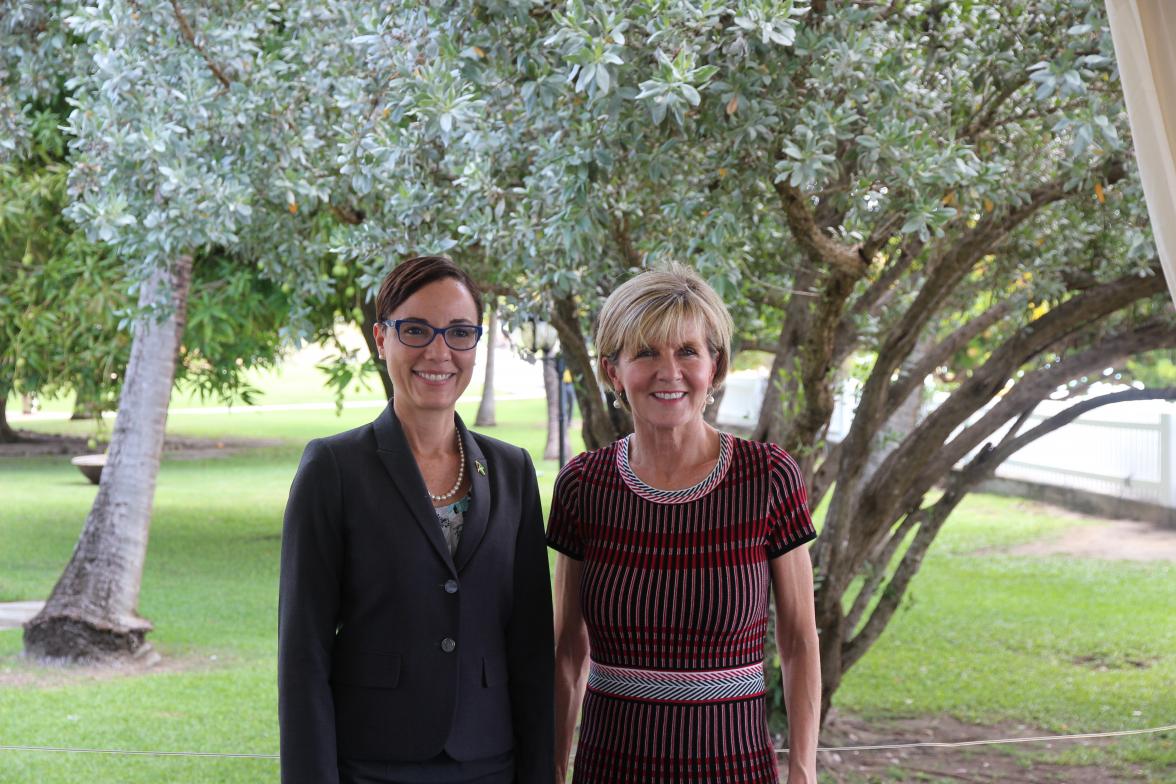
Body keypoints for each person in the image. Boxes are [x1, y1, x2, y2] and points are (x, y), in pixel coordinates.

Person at [279, 255, 554, 784]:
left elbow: (531, 648)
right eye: (416, 330)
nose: (438, 352)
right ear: (382, 339)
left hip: (489, 761)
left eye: (459, 332)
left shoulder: (512, 470)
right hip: (371, 762)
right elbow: (303, 653)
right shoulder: (333, 468)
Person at [548, 264, 820, 783]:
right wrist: (556, 768)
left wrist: (803, 773)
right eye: (646, 352)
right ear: (613, 372)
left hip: (734, 768)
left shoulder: (767, 477)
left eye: (688, 351)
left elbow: (799, 639)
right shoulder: (584, 486)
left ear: (715, 367)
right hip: (611, 769)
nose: (668, 371)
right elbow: (568, 647)